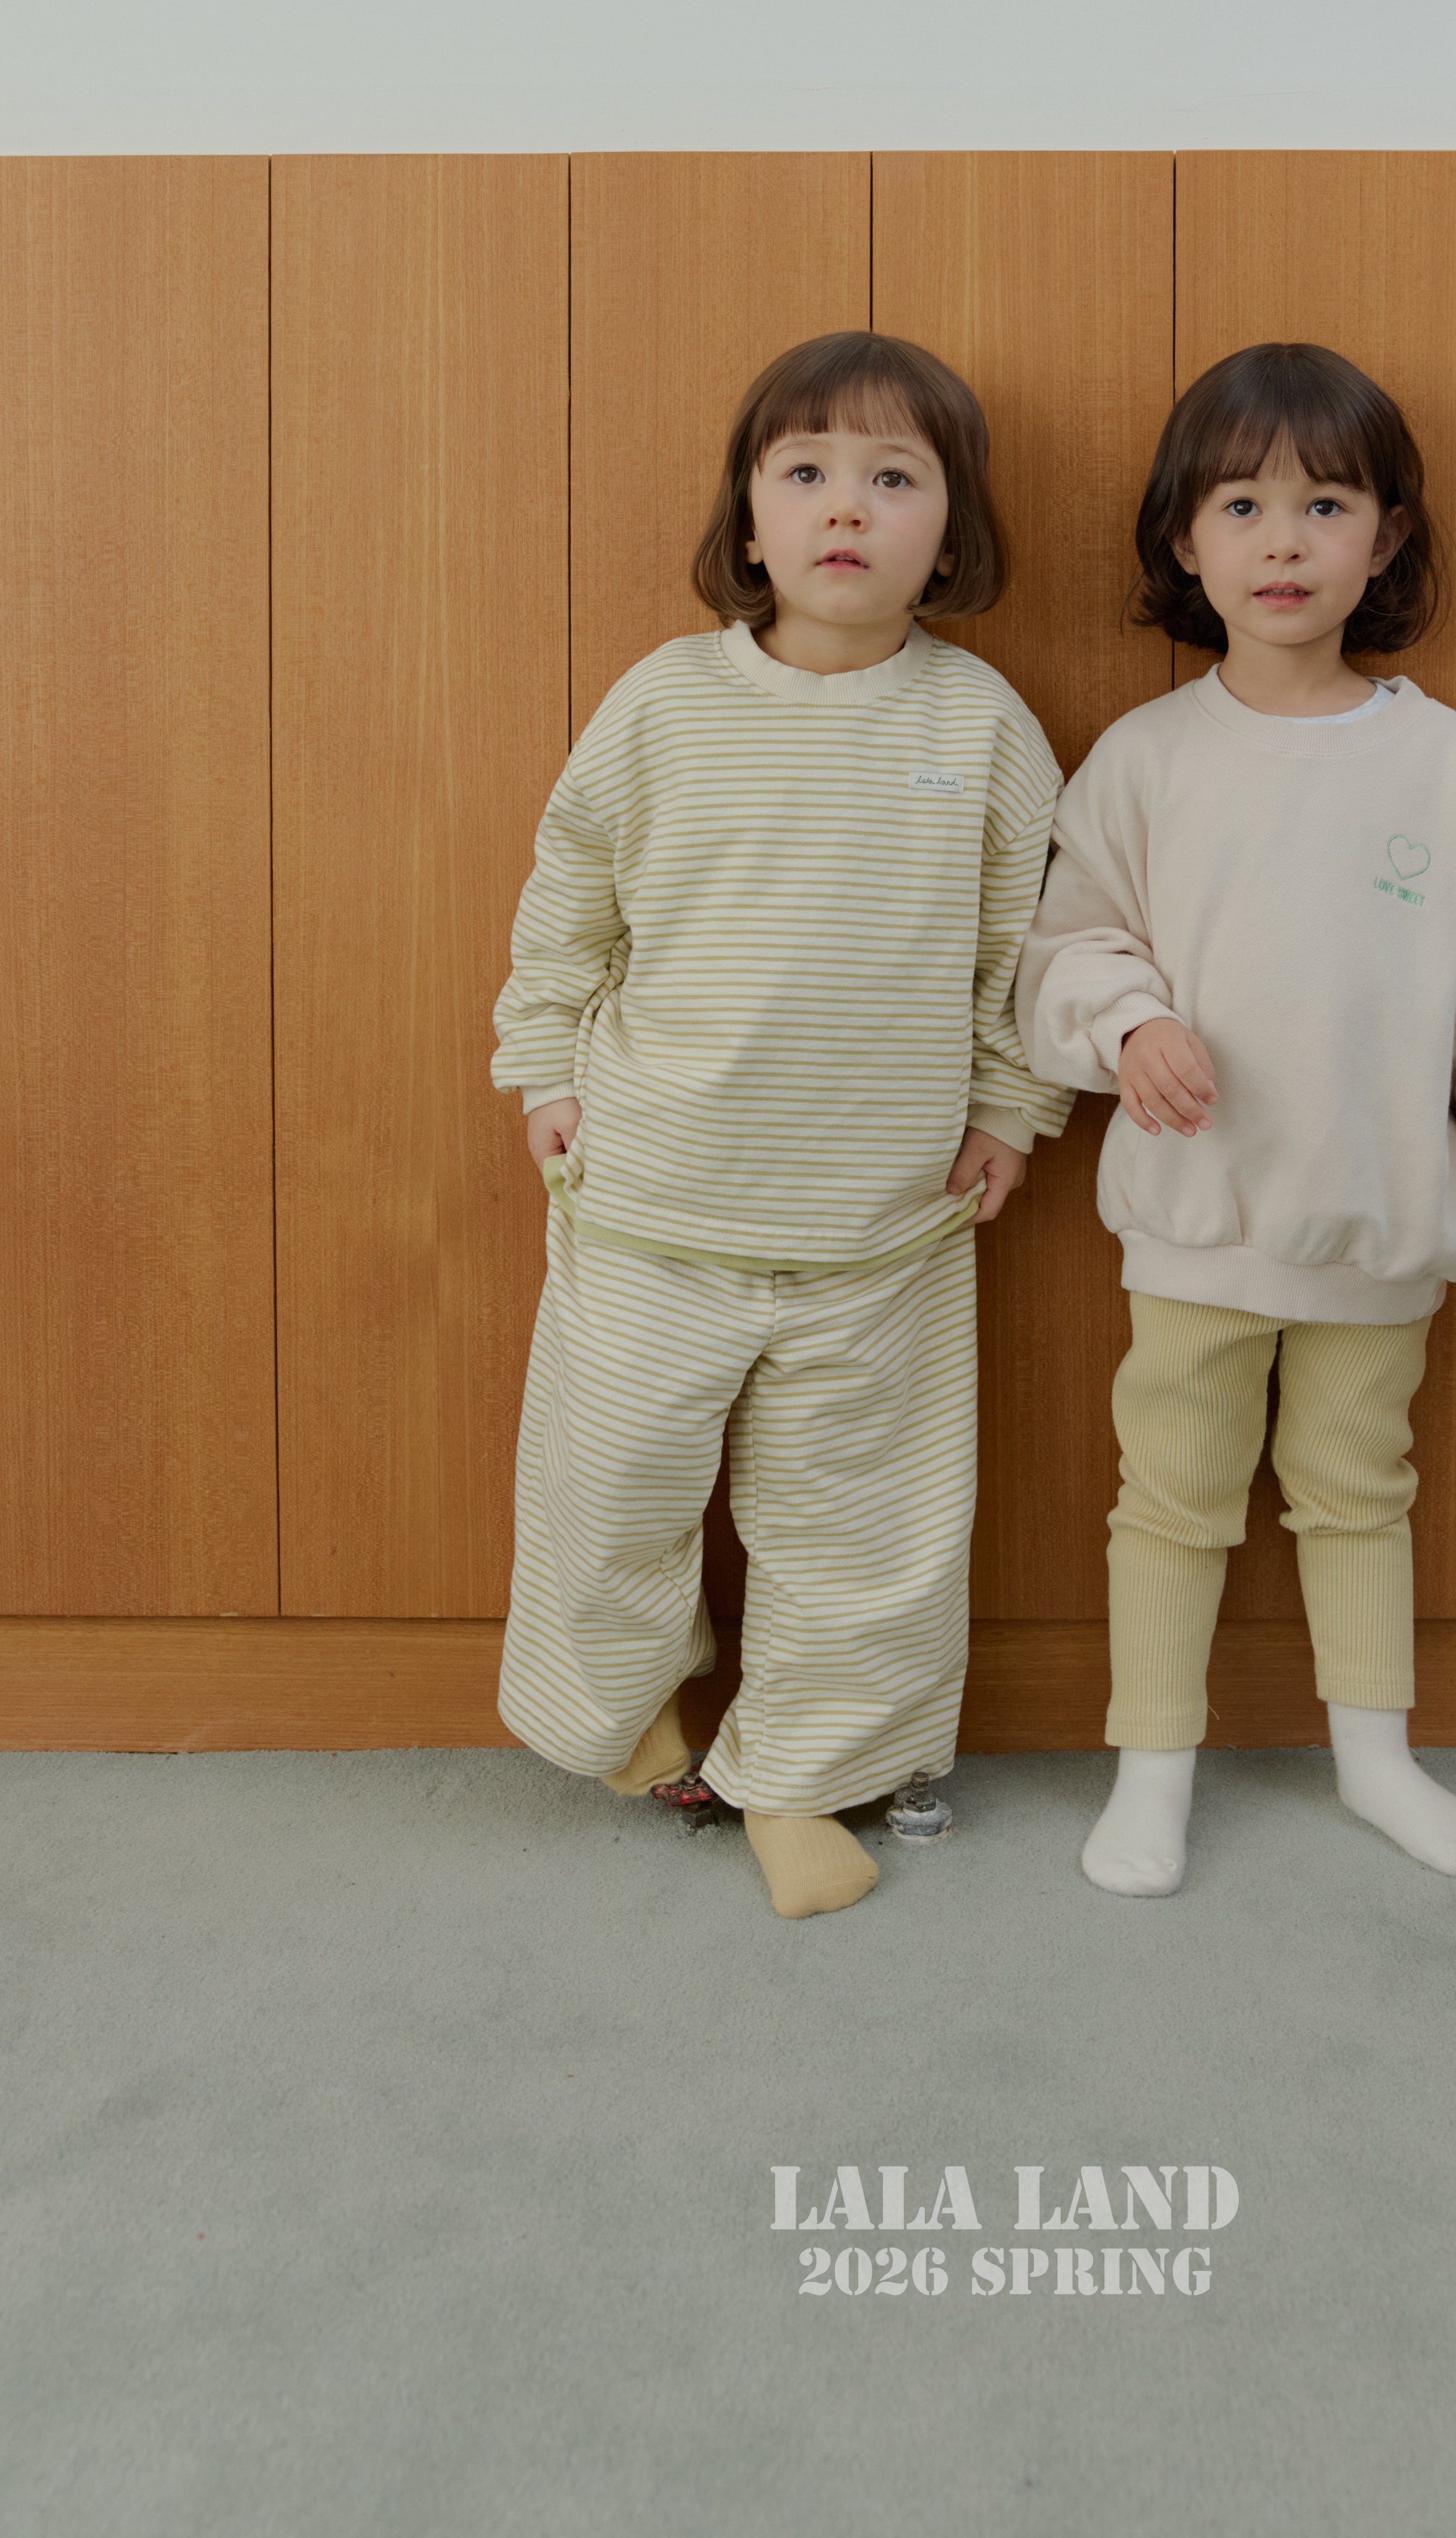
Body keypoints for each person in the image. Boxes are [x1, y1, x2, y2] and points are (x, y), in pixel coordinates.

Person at [492, 330, 1071, 1919]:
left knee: (864, 1522)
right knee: (609, 1485)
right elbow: (570, 901)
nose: (847, 507)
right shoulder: (664, 703)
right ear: (749, 519)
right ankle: (624, 1713)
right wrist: (544, 1067)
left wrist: (1014, 1108)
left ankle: (806, 1771)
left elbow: (1025, 947)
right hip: (648, 1197)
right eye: (806, 471)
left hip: (881, 1225)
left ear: (950, 532)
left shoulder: (981, 725)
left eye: (894, 478)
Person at [1016, 342, 1456, 1898]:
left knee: (1358, 1494)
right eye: (1243, 506)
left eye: (1326, 505)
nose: (1284, 542)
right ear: (1185, 539)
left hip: (1384, 1218)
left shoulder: (1439, 757)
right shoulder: (1145, 758)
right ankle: (1153, 1768)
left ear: (1386, 538)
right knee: (1173, 1501)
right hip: (1197, 1223)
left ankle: (1375, 1759)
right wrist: (1129, 1023)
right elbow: (1063, 946)